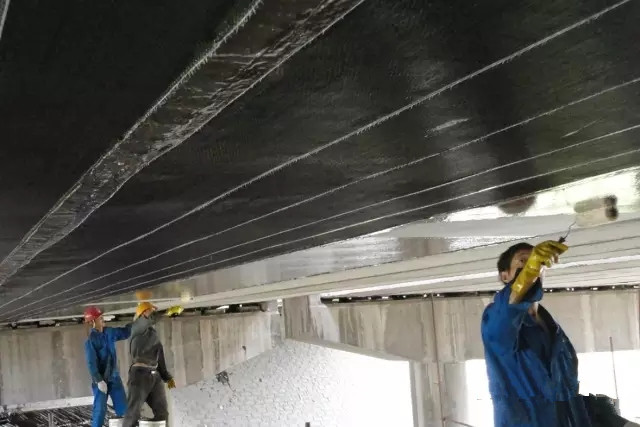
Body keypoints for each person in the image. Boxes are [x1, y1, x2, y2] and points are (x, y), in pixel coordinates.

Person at [481, 240, 639, 427]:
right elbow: (507, 308)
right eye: (523, 261)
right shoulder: (496, 322)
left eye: (538, 263)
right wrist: (529, 272)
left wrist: (605, 416)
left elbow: (564, 396)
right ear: (505, 276)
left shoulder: (556, 333)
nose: (533, 267)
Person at [122, 302, 180, 427]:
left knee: (162, 413)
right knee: (133, 413)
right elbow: (149, 320)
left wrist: (166, 377)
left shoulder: (153, 334)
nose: (152, 313)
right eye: (150, 311)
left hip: (155, 376)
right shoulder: (136, 328)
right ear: (142, 314)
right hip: (139, 375)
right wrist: (166, 312)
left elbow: (159, 355)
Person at [84, 306, 132, 427]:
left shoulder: (109, 332)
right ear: (93, 321)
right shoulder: (90, 341)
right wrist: (99, 380)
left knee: (124, 410)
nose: (103, 319)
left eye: (102, 317)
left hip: (114, 377)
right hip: (100, 380)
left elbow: (125, 332)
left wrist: (138, 321)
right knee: (99, 411)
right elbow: (91, 363)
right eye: (100, 318)